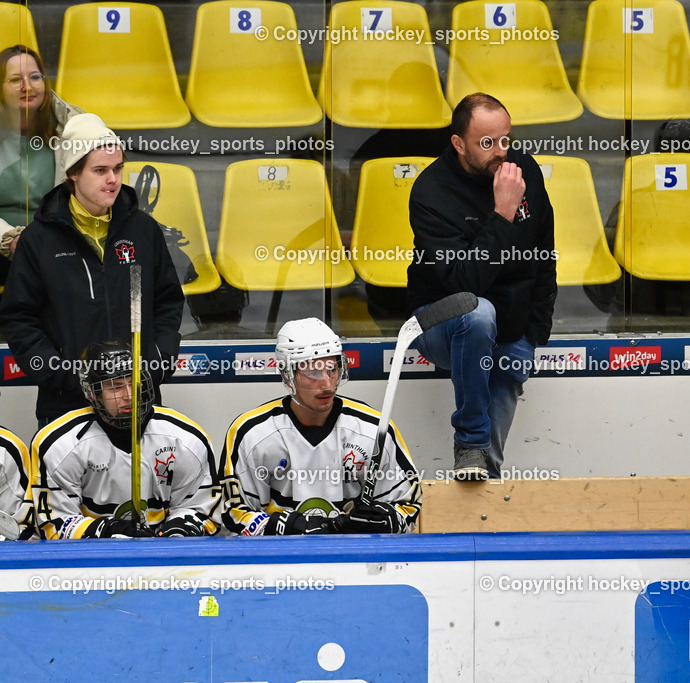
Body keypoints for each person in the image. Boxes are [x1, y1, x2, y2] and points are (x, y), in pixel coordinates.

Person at [406, 92, 557, 480]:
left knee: (506, 367)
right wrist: (503, 213)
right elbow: (463, 283)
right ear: (459, 143)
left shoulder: (524, 169)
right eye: (487, 143)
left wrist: (534, 335)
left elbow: (544, 252)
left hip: (509, 319)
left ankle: (481, 478)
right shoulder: (431, 192)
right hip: (440, 320)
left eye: (505, 139)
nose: (500, 152)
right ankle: (470, 443)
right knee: (477, 313)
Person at [0, 112, 184, 425]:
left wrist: (157, 362)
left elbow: (168, 301)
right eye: (100, 170)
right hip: (66, 406)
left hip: (138, 398)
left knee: (138, 476)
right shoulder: (38, 240)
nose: (113, 179)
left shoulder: (144, 230)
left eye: (118, 168)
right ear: (72, 173)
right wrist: (60, 375)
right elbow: (19, 318)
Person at [220, 318, 421, 536]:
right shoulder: (252, 433)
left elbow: (407, 506)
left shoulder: (373, 429)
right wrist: (284, 527)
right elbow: (233, 514)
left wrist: (386, 520)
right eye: (313, 373)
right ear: (287, 375)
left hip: (356, 561)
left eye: (332, 369)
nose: (327, 383)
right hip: (279, 561)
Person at [30, 340, 219, 539]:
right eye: (115, 387)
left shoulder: (185, 439)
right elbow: (55, 522)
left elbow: (200, 507)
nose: (129, 395)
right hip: (91, 560)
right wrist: (107, 531)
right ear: (92, 393)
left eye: (133, 381)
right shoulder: (59, 445)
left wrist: (179, 530)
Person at [0, 44, 83, 264]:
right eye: (16, 80)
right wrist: (9, 238)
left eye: (35, 77)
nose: (27, 86)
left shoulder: (72, 125)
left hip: (56, 242)